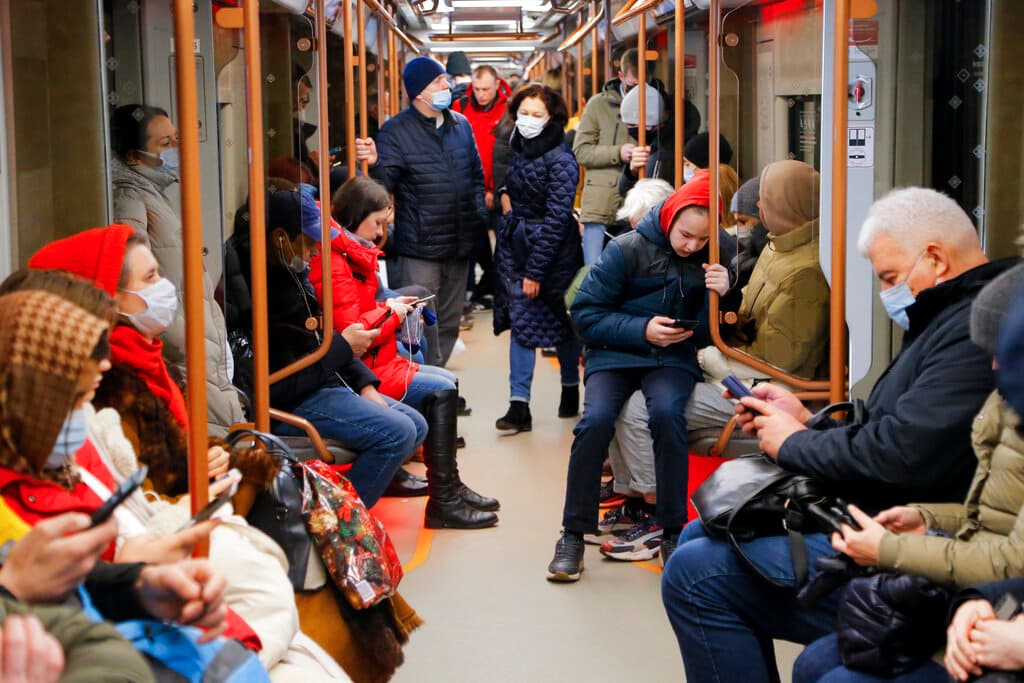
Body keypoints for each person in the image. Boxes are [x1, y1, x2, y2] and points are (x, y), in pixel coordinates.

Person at [661, 187, 1014, 683]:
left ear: (935, 259)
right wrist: (808, 421)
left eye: (890, 278)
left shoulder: (974, 334)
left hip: (906, 537)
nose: (888, 293)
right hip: (902, 519)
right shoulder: (947, 315)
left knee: (695, 574)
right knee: (703, 533)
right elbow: (895, 423)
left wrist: (794, 443)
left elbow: (907, 454)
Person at [792, 263, 1024, 683]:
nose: (992, 367)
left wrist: (888, 549)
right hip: (978, 586)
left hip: (990, 594)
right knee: (812, 664)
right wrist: (926, 517)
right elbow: (993, 514)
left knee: (703, 573)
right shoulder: (1002, 402)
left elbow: (1011, 558)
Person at [545, 171, 731, 582]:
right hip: (614, 354)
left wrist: (722, 295)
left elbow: (710, 334)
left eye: (702, 239)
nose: (691, 246)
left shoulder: (717, 254)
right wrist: (642, 329)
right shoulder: (626, 249)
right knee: (595, 422)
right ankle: (573, 533)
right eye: (686, 235)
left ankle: (671, 529)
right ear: (670, 218)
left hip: (672, 357)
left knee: (667, 415)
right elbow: (585, 315)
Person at [309, 176, 498, 528]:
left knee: (446, 380)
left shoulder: (353, 253)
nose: (381, 233)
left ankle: (448, 489)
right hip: (362, 367)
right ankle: (442, 498)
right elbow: (353, 334)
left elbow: (363, 311)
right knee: (441, 389)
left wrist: (391, 306)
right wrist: (391, 314)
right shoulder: (335, 263)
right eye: (377, 223)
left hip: (376, 361)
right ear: (356, 216)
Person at [229, 189, 427, 512]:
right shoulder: (265, 296)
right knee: (399, 433)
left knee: (416, 424)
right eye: (308, 243)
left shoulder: (295, 276)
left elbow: (324, 339)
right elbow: (282, 383)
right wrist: (344, 348)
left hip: (324, 385)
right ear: (280, 238)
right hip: (296, 401)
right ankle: (336, 521)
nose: (313, 252)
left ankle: (338, 504)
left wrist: (364, 384)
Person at [109, 104, 245, 439]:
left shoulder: (153, 192)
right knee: (214, 436)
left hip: (194, 333)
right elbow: (131, 274)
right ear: (134, 156)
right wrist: (182, 340)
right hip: (181, 340)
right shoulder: (129, 196)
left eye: (177, 139)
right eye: (165, 143)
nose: (176, 149)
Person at [354, 57, 488, 368]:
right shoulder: (395, 132)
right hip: (420, 246)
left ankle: (438, 378)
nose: (447, 85)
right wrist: (374, 163)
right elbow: (382, 186)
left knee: (451, 319)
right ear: (418, 93)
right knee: (421, 319)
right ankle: (423, 379)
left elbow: (476, 176)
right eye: (438, 81)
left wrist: (478, 217)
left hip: (459, 242)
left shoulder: (460, 125)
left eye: (445, 79)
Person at [491, 84, 582, 433]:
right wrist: (505, 195)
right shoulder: (521, 148)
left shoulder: (561, 160)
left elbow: (558, 219)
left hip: (553, 254)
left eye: (536, 115)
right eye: (523, 113)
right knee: (523, 324)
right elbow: (515, 185)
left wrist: (535, 272)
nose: (528, 120)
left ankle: (570, 387)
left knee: (562, 325)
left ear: (551, 119)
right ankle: (519, 405)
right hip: (519, 245)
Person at [574, 47, 643, 265]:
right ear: (621, 76)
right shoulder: (597, 105)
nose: (638, 92)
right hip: (600, 202)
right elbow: (581, 151)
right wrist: (618, 153)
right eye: (633, 85)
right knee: (593, 268)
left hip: (638, 201)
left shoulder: (656, 103)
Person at [454, 65, 512, 307]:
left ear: (497, 85)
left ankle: (499, 291)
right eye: (476, 89)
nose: (481, 94)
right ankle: (469, 293)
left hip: (502, 190)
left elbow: (507, 156)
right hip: (468, 192)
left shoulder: (510, 110)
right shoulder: (460, 108)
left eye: (486, 89)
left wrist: (493, 190)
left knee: (506, 244)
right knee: (469, 244)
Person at [616, 83, 673, 196]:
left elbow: (648, 200)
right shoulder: (653, 145)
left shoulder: (662, 152)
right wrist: (632, 172)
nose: (630, 129)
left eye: (632, 124)